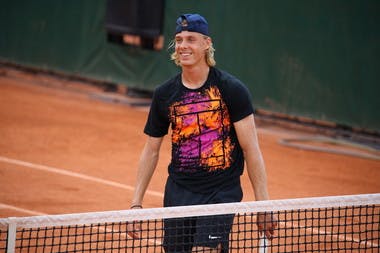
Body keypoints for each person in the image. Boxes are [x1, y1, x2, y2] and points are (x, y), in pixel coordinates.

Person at [129, 13, 276, 253]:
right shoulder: (164, 94)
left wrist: (264, 205)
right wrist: (136, 203)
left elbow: (251, 150)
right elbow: (151, 150)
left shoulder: (232, 90)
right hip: (178, 193)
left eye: (191, 39)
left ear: (207, 43)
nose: (183, 46)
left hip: (220, 192)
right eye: (178, 39)